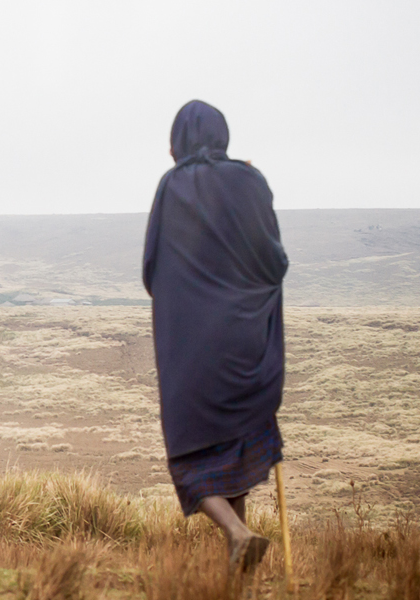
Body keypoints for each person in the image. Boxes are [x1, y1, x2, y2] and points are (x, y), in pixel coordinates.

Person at [141, 100, 289, 573]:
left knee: (189, 453)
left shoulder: (173, 186)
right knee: (237, 445)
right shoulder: (251, 180)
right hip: (248, 342)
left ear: (178, 143)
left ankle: (238, 532)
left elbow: (152, 268)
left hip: (195, 350)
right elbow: (275, 261)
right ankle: (239, 572)